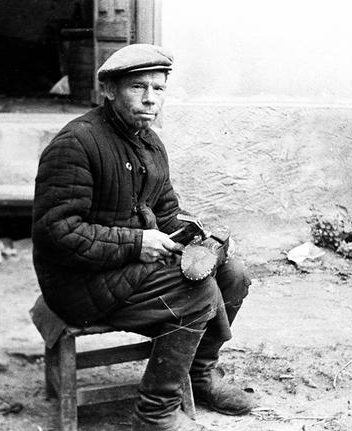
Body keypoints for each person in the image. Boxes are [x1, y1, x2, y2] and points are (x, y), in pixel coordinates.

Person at [32, 44, 254, 431]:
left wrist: (200, 238)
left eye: (159, 88)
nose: (151, 98)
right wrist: (137, 243)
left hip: (125, 272)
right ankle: (155, 412)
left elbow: (166, 212)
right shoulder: (76, 144)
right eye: (138, 87)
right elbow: (58, 232)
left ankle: (200, 374)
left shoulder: (150, 143)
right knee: (195, 292)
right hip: (78, 283)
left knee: (233, 274)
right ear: (109, 90)